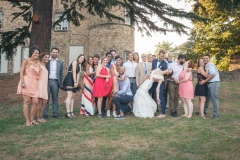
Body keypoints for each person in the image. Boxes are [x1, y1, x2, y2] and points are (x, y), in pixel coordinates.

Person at [17, 47, 41, 126]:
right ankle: (27, 121)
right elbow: (21, 71)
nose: (37, 54)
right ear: (31, 53)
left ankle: (32, 119)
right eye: (35, 53)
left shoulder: (38, 62)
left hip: (34, 83)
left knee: (35, 102)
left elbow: (41, 71)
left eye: (38, 53)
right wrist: (22, 81)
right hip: (26, 82)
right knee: (27, 102)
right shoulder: (26, 60)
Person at [62, 54, 85, 118]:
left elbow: (78, 74)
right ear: (78, 57)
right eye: (81, 57)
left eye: (83, 59)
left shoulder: (79, 66)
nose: (82, 59)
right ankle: (68, 112)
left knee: (72, 96)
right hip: (70, 78)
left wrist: (77, 82)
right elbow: (74, 72)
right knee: (69, 96)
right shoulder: (74, 62)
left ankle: (71, 111)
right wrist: (74, 81)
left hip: (74, 80)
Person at [43, 47, 64, 119]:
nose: (55, 53)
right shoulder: (47, 61)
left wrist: (60, 83)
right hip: (47, 81)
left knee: (55, 98)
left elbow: (61, 73)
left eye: (56, 52)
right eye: (53, 52)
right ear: (51, 52)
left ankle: (55, 114)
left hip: (55, 81)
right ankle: (45, 114)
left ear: (58, 53)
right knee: (46, 98)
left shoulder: (60, 62)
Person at [199, 54, 220, 119]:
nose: (205, 59)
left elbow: (213, 74)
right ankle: (204, 111)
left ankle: (215, 114)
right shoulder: (206, 65)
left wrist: (205, 81)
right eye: (204, 58)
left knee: (214, 98)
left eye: (206, 58)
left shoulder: (210, 65)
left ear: (209, 59)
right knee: (207, 98)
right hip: (209, 83)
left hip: (214, 83)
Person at [148, 50, 168, 117]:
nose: (162, 57)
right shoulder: (154, 61)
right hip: (153, 81)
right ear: (158, 55)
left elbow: (164, 73)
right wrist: (153, 77)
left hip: (160, 82)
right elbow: (152, 70)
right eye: (161, 56)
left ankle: (163, 112)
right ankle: (148, 107)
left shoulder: (165, 64)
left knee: (161, 96)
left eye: (163, 56)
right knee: (148, 92)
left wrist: (158, 78)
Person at [36, 52, 49, 123]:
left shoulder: (45, 65)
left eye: (47, 57)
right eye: (45, 57)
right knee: (39, 102)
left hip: (44, 85)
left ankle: (40, 116)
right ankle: (38, 117)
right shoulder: (39, 65)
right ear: (42, 57)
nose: (47, 58)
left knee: (44, 101)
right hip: (39, 85)